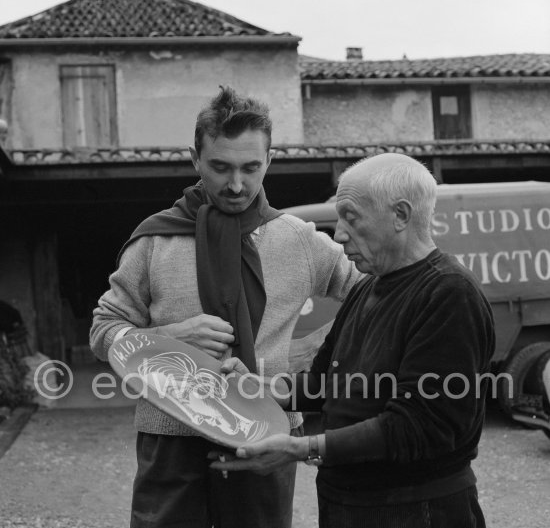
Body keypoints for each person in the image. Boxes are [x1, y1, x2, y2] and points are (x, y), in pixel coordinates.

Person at [89, 86, 360, 528]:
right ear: (195, 159)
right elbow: (103, 331)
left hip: (267, 432)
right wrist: (164, 340)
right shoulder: (155, 241)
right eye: (220, 167)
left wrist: (314, 355)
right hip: (170, 435)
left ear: (270, 160)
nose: (237, 185)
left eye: (251, 168)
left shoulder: (299, 240)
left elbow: (373, 297)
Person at [212, 153, 496, 528]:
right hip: (349, 505)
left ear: (400, 215)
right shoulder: (369, 288)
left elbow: (419, 426)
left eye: (351, 216)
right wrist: (258, 387)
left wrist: (300, 448)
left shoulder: (448, 293)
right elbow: (325, 384)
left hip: (415, 511)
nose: (339, 233)